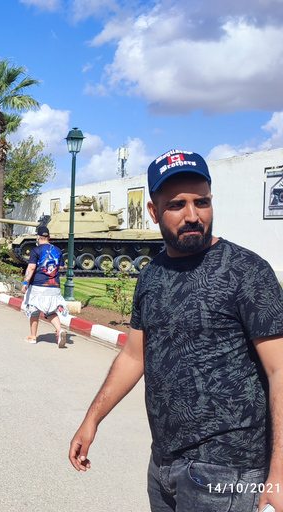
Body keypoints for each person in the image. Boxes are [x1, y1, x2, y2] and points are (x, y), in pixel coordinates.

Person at [68, 149, 283, 512]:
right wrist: (92, 419)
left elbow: (280, 370)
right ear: (153, 211)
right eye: (176, 205)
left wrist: (278, 472)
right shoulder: (152, 275)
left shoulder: (247, 271)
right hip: (164, 465)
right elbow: (134, 355)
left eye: (202, 202)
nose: (192, 215)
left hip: (228, 472)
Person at [20, 226, 67, 347]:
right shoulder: (57, 250)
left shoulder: (36, 250)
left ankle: (33, 336)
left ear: (38, 237)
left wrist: (25, 283)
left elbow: (31, 267)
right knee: (51, 311)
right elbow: (61, 268)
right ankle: (59, 331)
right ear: (49, 238)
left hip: (38, 286)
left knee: (34, 311)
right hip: (54, 286)